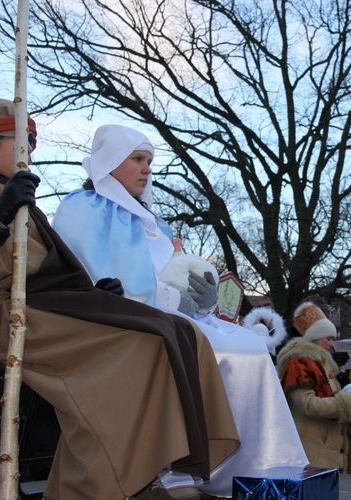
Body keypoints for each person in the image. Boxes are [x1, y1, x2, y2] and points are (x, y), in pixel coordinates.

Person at [0, 97, 240, 500]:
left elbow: (45, 268)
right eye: (22, 139)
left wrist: (90, 296)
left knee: (174, 330)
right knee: (136, 346)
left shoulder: (13, 193)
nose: (31, 151)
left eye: (33, 140)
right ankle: (107, 485)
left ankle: (123, 475)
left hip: (44, 307)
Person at [51, 124, 307, 497]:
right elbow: (99, 275)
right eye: (138, 159)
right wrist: (171, 300)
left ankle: (256, 466)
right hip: (121, 318)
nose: (147, 169)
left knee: (249, 346)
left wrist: (204, 297)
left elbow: (178, 271)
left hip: (173, 314)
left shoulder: (153, 221)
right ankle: (186, 467)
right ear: (109, 162)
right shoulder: (83, 208)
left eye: (150, 161)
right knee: (209, 348)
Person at [276, 301, 351, 471]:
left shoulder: (322, 364)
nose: (332, 344)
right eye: (328, 339)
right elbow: (309, 405)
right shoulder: (298, 363)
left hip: (326, 455)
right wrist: (350, 404)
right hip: (313, 454)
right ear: (315, 338)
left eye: (333, 339)